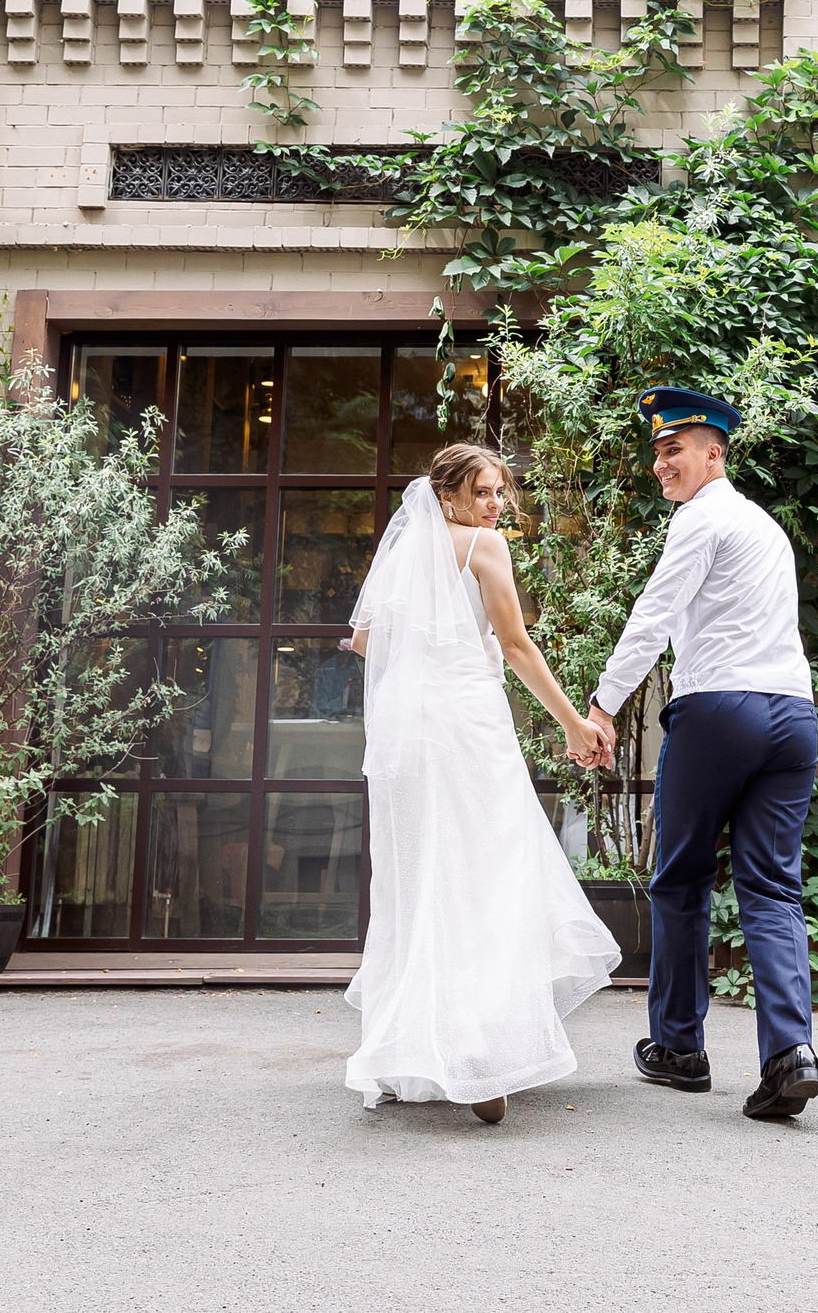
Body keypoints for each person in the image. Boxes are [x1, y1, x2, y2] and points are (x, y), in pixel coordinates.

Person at [342, 443, 620, 1124]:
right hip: (465, 725)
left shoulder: (406, 551)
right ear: (448, 496)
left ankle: (407, 1052)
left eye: (500, 492)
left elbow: (363, 641)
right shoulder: (485, 548)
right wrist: (576, 726)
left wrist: (433, 648)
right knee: (487, 869)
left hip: (407, 733)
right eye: (483, 492)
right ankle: (480, 1053)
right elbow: (518, 644)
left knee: (417, 880)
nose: (496, 505)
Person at [583, 387, 818, 1122]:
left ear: (714, 451)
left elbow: (655, 611)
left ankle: (680, 1046)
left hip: (721, 709)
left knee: (681, 876)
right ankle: (792, 1052)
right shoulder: (765, 526)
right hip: (794, 717)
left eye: (674, 450)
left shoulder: (701, 517)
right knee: (774, 886)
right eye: (657, 453)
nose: (662, 464)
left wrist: (601, 704)